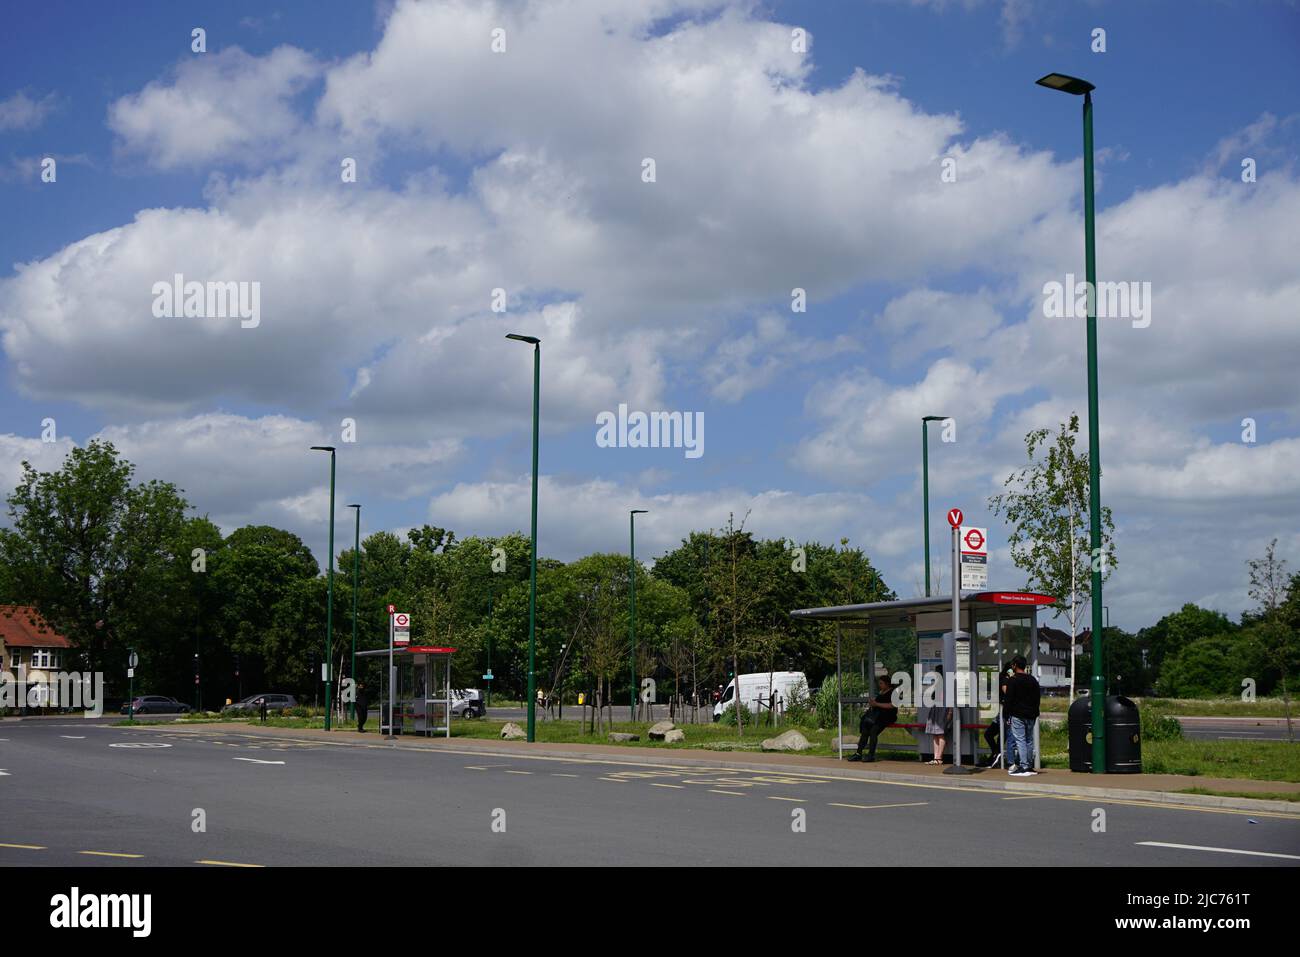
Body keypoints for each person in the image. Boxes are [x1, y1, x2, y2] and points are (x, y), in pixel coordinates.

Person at [1003, 655, 1041, 776]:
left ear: (1014, 665)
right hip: (1031, 715)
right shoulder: (1033, 680)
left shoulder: (1013, 680)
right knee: (1029, 740)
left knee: (1020, 740)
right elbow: (1037, 698)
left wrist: (1006, 715)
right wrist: (1035, 712)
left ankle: (1024, 766)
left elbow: (1008, 699)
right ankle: (1029, 765)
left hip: (1018, 714)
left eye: (1013, 665)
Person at [849, 675, 898, 762]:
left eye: (881, 683)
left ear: (887, 684)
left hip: (886, 717)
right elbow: (878, 702)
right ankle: (858, 753)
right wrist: (873, 703)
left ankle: (871, 755)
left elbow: (893, 705)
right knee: (865, 731)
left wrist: (877, 704)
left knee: (873, 731)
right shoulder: (881, 691)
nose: (880, 685)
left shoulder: (893, 693)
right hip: (876, 716)